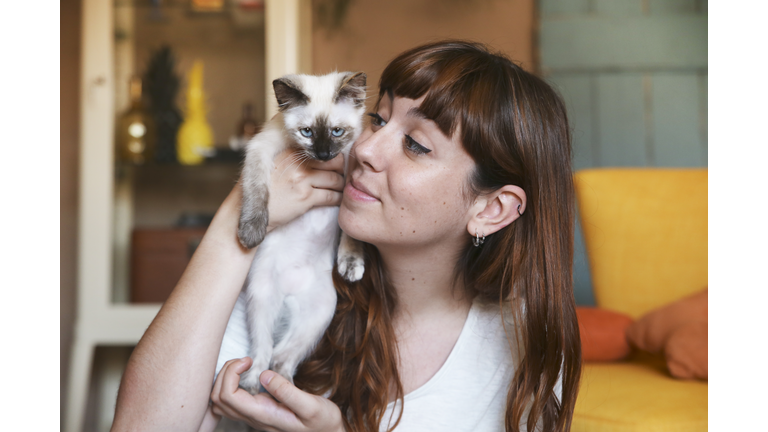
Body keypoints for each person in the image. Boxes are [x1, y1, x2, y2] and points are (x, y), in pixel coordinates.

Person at [112, 40, 581, 432]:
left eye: (416, 144)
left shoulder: (526, 344)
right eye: (377, 119)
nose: (366, 149)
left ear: (491, 208)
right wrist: (237, 218)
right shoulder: (296, 270)